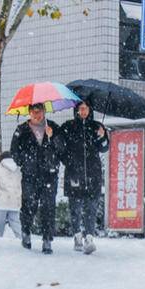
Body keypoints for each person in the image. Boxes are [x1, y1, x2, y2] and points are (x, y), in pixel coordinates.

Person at [10, 103, 65, 254]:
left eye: (39, 111)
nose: (36, 115)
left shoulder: (53, 127)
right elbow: (14, 151)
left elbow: (62, 149)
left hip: (49, 175)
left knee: (48, 207)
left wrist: (52, 137)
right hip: (30, 175)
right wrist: (24, 162)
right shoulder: (21, 130)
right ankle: (26, 233)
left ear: (44, 111)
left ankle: (47, 240)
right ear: (29, 113)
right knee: (28, 205)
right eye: (33, 112)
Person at [59, 99, 109, 255]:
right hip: (74, 173)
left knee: (91, 208)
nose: (83, 111)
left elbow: (104, 147)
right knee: (75, 208)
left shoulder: (96, 126)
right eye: (80, 108)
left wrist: (102, 135)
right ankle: (77, 236)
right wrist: (69, 162)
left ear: (90, 110)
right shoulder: (68, 126)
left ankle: (89, 237)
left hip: (93, 174)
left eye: (86, 108)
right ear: (76, 110)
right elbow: (60, 147)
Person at [0, 151, 23, 239]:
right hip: (15, 202)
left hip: (1, 203)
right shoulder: (18, 169)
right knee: (17, 225)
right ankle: (23, 241)